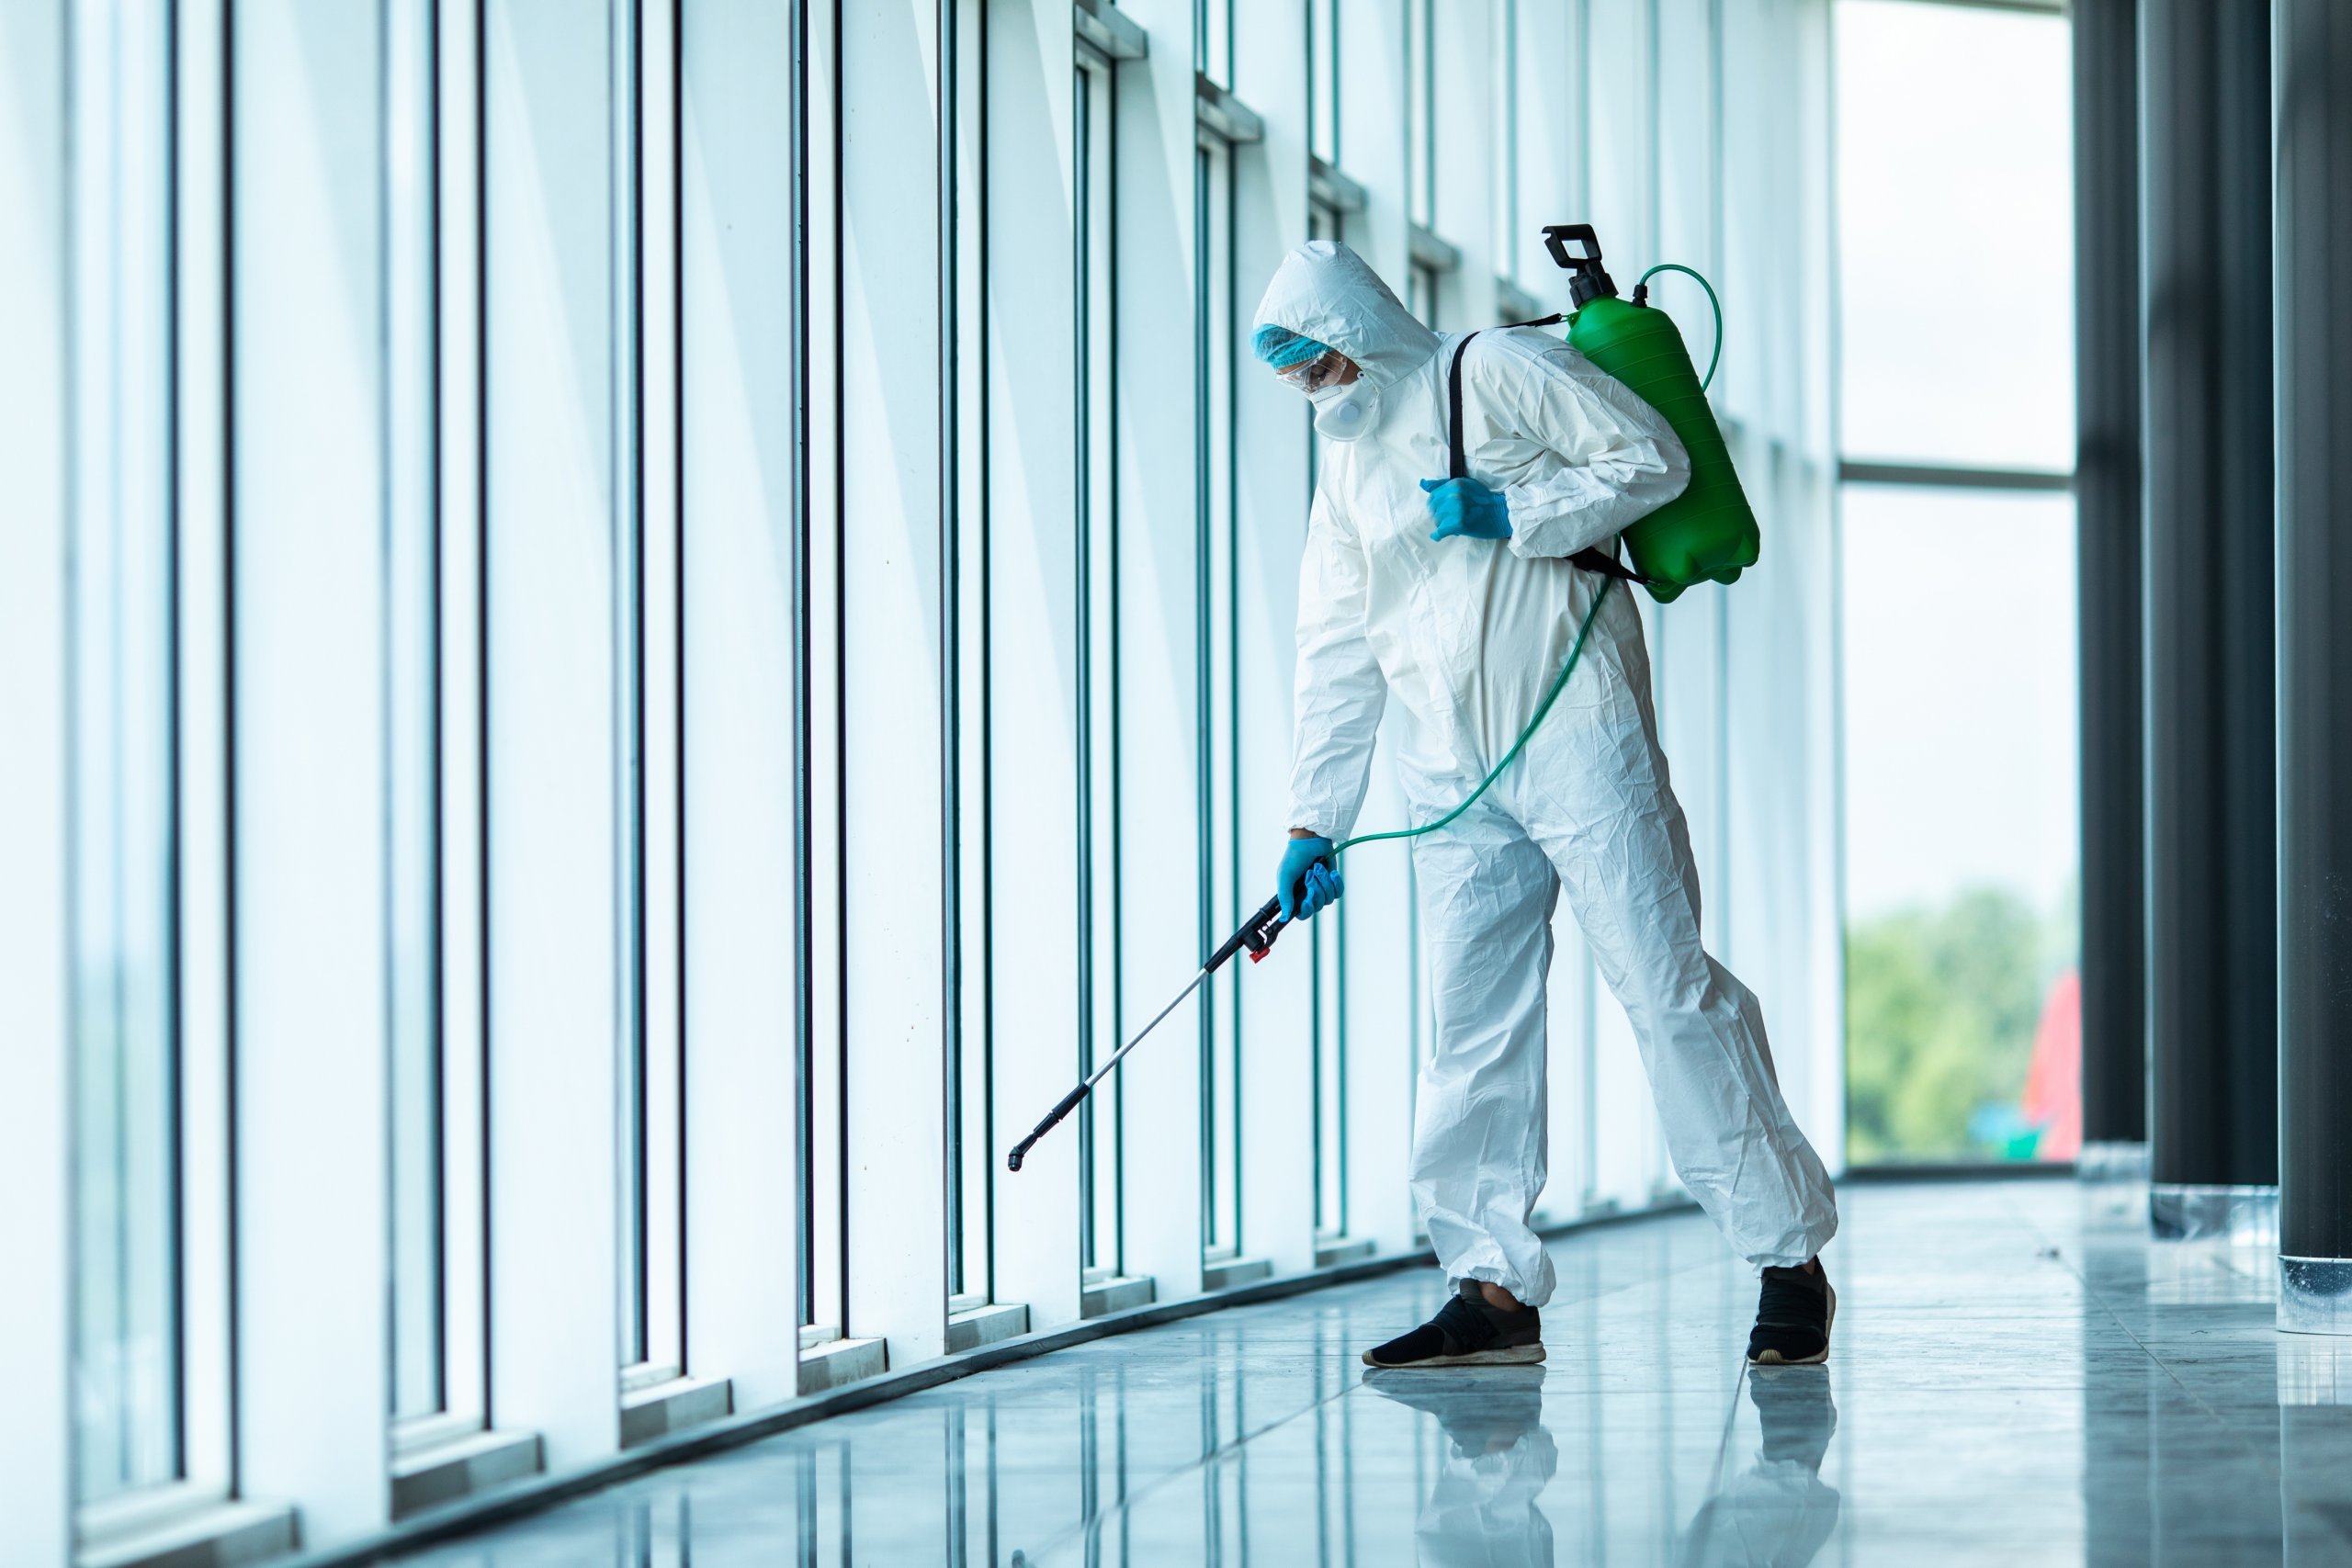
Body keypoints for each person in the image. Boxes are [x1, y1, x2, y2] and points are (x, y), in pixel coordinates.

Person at [1254, 241, 1838, 1371]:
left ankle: (1786, 1260)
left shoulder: (1497, 370)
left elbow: (1651, 459)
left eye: (1321, 366)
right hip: (1447, 779)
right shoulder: (1347, 470)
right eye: (1298, 380)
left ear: (1359, 331)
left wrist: (1512, 506)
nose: (1317, 394)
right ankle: (1490, 1287)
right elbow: (1332, 645)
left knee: (1668, 994)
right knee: (1470, 1032)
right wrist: (1311, 820)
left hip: (1579, 736)